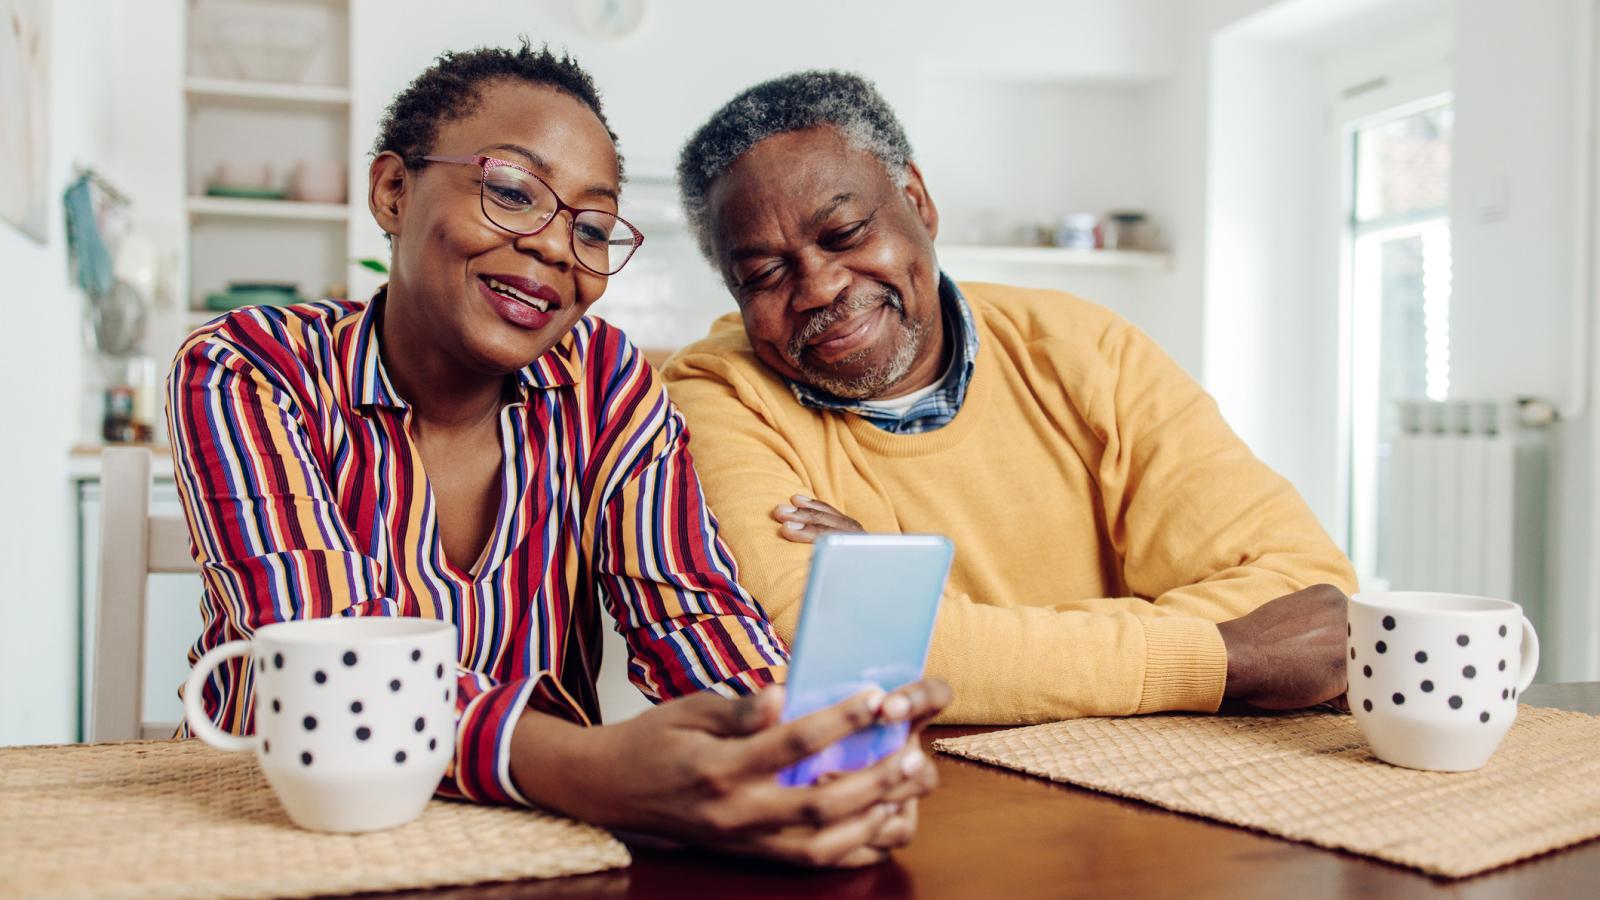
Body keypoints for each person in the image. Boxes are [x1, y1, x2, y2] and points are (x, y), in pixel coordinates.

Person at [167, 46, 945, 867]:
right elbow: (344, 676)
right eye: (510, 192)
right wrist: (590, 768)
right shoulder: (249, 369)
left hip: (527, 840)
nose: (554, 249)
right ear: (393, 191)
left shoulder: (606, 382)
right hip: (269, 822)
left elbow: (692, 614)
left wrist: (796, 746)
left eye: (593, 227)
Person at [664, 70, 1358, 725]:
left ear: (918, 201)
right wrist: (1225, 657)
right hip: (923, 799)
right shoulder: (715, 396)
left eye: (844, 234)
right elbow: (824, 657)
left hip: (1166, 782)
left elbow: (1311, 598)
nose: (816, 288)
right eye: (764, 272)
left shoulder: (1085, 347)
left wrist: (926, 615)